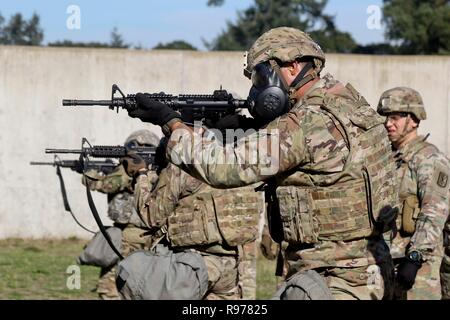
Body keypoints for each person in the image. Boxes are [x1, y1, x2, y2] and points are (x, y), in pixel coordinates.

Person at [125, 26, 400, 300]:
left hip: (334, 280)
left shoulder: (306, 122)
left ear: (291, 66)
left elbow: (223, 168)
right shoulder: (351, 105)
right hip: (370, 271)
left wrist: (171, 123)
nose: (256, 88)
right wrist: (245, 128)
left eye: (259, 76)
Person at [125, 129, 265, 300]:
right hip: (230, 263)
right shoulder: (237, 161)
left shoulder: (182, 165)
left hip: (192, 263)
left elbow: (151, 215)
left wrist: (141, 174)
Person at [377, 87, 450, 300]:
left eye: (396, 117)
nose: (388, 123)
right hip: (386, 263)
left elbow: (434, 214)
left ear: (414, 120)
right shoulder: (389, 159)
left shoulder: (429, 160)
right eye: (386, 118)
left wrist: (415, 258)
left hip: (418, 271)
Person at [81, 129, 160, 299]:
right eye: (135, 148)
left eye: (145, 149)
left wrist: (139, 173)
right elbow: (106, 184)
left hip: (153, 239)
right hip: (125, 237)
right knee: (112, 289)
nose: (138, 152)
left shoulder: (162, 172)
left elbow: (105, 185)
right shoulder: (124, 170)